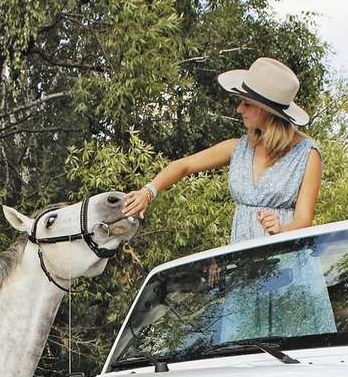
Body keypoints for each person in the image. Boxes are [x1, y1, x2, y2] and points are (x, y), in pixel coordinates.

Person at [122, 57, 322, 244]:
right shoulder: (239, 148)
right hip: (242, 260)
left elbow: (304, 220)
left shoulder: (307, 154)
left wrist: (281, 230)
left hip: (286, 260)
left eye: (247, 103)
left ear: (268, 111)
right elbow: (184, 165)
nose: (239, 109)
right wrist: (147, 192)